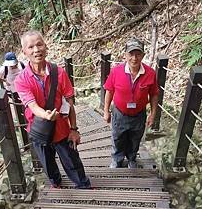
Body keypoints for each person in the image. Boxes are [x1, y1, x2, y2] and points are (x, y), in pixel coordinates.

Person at [15, 30, 91, 189]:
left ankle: (83, 185)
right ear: (24, 52)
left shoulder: (59, 72)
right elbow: (32, 105)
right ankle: (56, 183)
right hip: (39, 131)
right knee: (47, 164)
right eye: (31, 47)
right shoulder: (21, 80)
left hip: (62, 129)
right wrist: (46, 115)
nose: (36, 50)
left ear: (45, 46)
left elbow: (69, 103)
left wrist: (74, 129)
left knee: (72, 161)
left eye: (39, 44)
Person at [103, 38, 159, 169]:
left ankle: (132, 159)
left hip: (139, 115)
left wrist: (153, 114)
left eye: (138, 54)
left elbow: (154, 94)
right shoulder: (116, 71)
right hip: (119, 113)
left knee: (135, 139)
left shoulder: (150, 73)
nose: (134, 58)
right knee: (118, 137)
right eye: (131, 54)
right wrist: (106, 111)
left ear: (143, 55)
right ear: (125, 55)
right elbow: (109, 91)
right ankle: (117, 159)